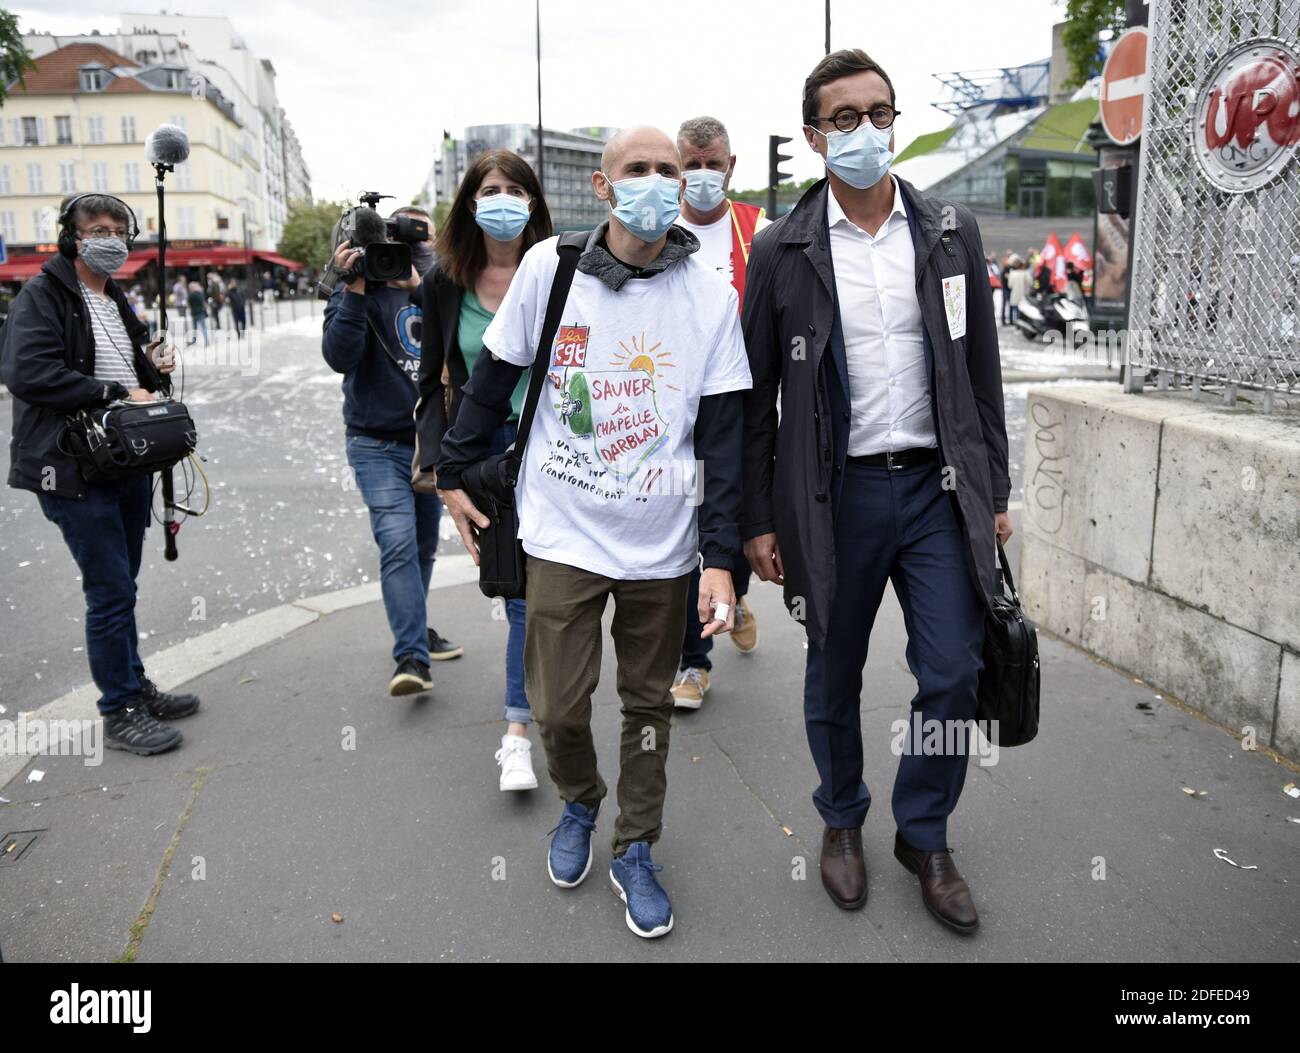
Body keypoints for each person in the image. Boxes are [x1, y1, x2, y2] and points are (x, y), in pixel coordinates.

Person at [437, 125, 752, 939]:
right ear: (605, 189)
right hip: (561, 535)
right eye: (637, 170)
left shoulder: (711, 295)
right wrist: (448, 476)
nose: (655, 181)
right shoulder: (552, 268)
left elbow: (723, 438)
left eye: (668, 170)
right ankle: (579, 799)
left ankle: (635, 845)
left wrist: (720, 559)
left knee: (647, 706)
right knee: (557, 706)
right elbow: (492, 379)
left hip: (661, 546)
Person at [741, 50, 1011, 933]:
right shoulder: (783, 249)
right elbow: (754, 400)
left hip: (936, 490)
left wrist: (993, 489)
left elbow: (981, 373)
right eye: (845, 118)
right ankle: (843, 818)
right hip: (833, 497)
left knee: (954, 672)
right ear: (816, 136)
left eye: (880, 112)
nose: (867, 130)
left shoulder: (946, 232)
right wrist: (755, 519)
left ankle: (923, 830)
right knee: (834, 671)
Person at [1, 193, 202, 755]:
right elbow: (29, 372)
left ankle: (133, 685)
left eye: (118, 229)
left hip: (123, 459)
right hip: (71, 466)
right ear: (71, 236)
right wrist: (114, 390)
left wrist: (152, 365)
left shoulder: (115, 299)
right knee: (110, 590)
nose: (108, 238)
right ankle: (119, 710)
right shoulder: (42, 296)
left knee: (123, 584)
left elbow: (136, 370)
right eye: (96, 229)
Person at [414, 149, 553, 793]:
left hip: (555, 444)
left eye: (515, 189)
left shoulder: (562, 270)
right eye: (490, 189)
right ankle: (518, 734)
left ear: (533, 202)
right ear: (471, 202)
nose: (503, 200)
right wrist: (444, 475)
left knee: (563, 591)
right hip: (487, 455)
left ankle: (534, 725)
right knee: (519, 592)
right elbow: (430, 386)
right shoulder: (446, 281)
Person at [323, 205, 462, 697]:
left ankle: (416, 629)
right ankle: (411, 657)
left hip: (427, 442)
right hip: (375, 443)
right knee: (398, 542)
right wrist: (355, 288)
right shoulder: (354, 285)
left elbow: (465, 338)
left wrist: (415, 285)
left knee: (422, 547)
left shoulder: (434, 286)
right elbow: (340, 356)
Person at [668, 115, 765, 710]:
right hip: (677, 412)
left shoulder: (761, 232)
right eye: (691, 163)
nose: (703, 175)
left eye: (713, 163)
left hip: (748, 407)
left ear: (732, 166)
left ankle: (734, 585)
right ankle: (693, 661)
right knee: (687, 531)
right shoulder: (655, 231)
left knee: (740, 517)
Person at [1006, 255, 1029, 325]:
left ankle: (1016, 324)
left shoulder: (1012, 274)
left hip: (1015, 294)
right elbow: (1030, 282)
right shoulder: (1025, 273)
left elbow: (1009, 285)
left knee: (1015, 310)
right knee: (1023, 311)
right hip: (1023, 295)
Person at [186, 280, 209, 346]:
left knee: (194, 328)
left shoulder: (190, 295)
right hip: (200, 313)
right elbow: (203, 304)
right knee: (204, 328)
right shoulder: (199, 294)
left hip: (194, 313)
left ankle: (194, 341)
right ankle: (206, 341)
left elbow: (188, 305)